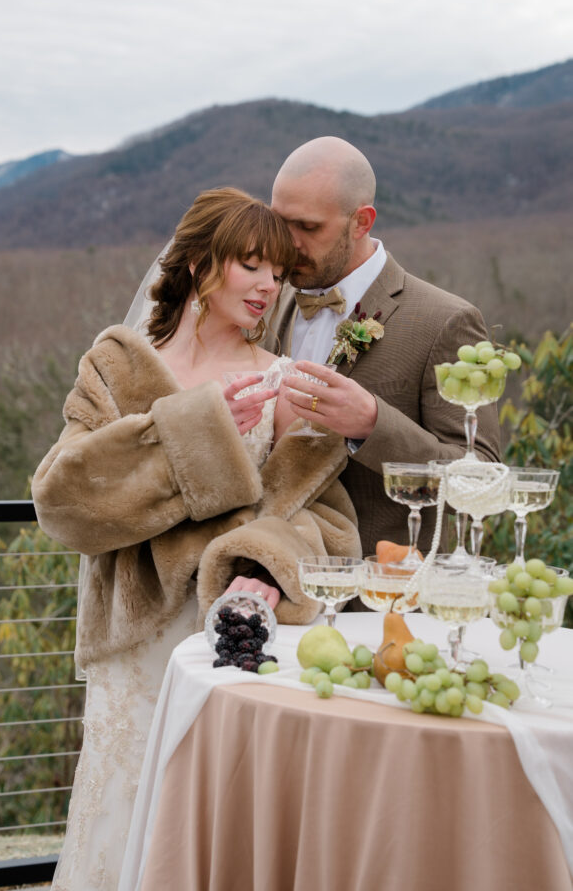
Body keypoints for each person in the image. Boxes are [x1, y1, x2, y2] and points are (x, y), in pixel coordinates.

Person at [32, 187, 360, 890]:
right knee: (122, 816)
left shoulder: (280, 381)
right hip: (133, 641)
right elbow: (62, 503)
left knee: (212, 823)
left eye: (278, 272)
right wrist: (195, 430)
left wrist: (264, 567)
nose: (268, 286)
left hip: (230, 635)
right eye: (251, 265)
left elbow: (327, 524)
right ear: (199, 264)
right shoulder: (117, 366)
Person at [269, 136, 502, 555]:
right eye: (280, 223)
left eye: (308, 227)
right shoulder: (263, 302)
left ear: (361, 222)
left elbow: (483, 486)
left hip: (381, 584)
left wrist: (373, 425)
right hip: (266, 576)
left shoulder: (446, 321)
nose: (288, 243)